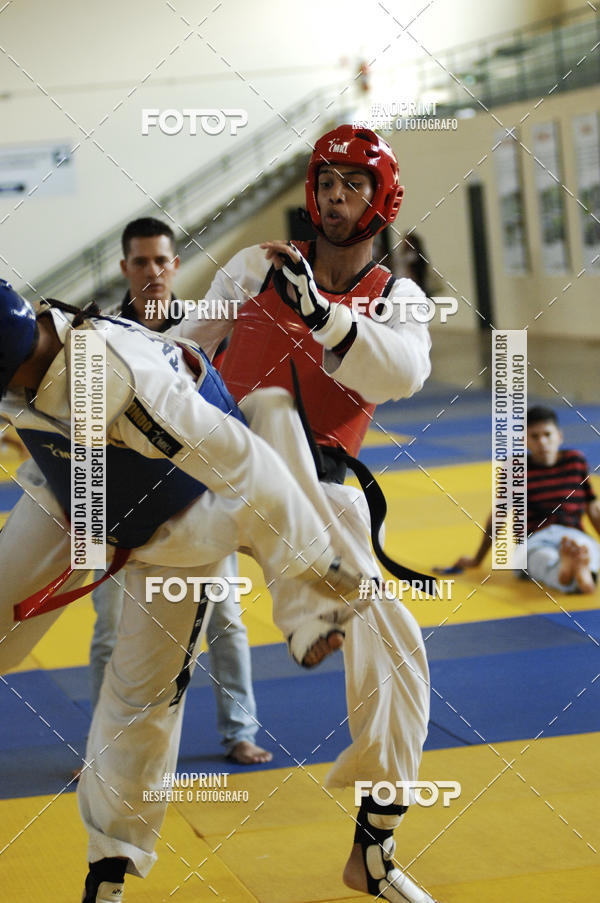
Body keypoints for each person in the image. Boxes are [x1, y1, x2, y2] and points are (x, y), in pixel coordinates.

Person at [0, 280, 361, 903]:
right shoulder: (26, 354)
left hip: (181, 516)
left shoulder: (116, 375)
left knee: (141, 701)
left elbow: (248, 462)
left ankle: (108, 871)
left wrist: (313, 574)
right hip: (72, 487)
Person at [182, 125, 437, 903]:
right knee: (265, 403)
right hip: (215, 470)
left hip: (319, 493)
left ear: (380, 197)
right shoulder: (259, 263)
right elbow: (184, 340)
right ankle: (111, 861)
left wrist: (324, 316)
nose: (334, 196)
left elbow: (405, 370)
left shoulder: (399, 294)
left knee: (399, 644)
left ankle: (375, 844)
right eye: (325, 182)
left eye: (352, 183)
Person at [89, 216, 272, 765]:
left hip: (199, 495)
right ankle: (105, 747)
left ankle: (239, 730)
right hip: (121, 502)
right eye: (141, 261)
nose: (152, 271)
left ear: (175, 265)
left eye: (161, 260)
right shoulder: (100, 337)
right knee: (109, 630)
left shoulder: (203, 331)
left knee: (226, 621)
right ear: (125, 267)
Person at [452, 405, 600, 593]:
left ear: (559, 436)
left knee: (586, 548)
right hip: (534, 539)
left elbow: (594, 509)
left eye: (547, 434)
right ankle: (575, 574)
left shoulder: (575, 461)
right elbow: (498, 516)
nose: (542, 442)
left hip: (572, 535)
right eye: (535, 436)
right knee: (542, 557)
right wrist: (477, 559)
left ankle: (572, 571)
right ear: (525, 440)